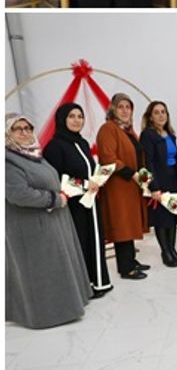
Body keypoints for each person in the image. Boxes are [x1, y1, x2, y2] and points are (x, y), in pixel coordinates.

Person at [5, 116, 92, 328]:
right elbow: (19, 194)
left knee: (56, 265)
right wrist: (54, 199)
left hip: (52, 220)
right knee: (41, 270)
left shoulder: (33, 154)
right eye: (18, 129)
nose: (25, 132)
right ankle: (47, 314)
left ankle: (67, 307)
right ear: (7, 134)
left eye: (28, 128)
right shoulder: (7, 160)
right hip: (31, 227)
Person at [41, 104, 113, 296]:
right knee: (80, 243)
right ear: (62, 119)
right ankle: (83, 286)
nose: (77, 120)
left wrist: (97, 180)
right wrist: (85, 185)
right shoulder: (55, 146)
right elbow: (55, 178)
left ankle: (99, 281)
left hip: (90, 202)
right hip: (72, 206)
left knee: (94, 240)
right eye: (71, 116)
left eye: (80, 116)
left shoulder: (82, 143)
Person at [95, 93, 150, 279]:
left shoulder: (128, 130)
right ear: (113, 109)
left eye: (128, 107)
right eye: (121, 107)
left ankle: (131, 260)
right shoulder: (108, 129)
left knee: (130, 222)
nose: (125, 111)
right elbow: (108, 158)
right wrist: (132, 174)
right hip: (119, 185)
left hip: (131, 185)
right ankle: (126, 268)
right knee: (122, 224)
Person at [140, 100, 177, 266]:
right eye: (156, 112)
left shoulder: (170, 134)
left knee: (172, 217)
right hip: (159, 181)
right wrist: (154, 187)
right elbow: (149, 162)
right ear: (150, 117)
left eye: (163, 112)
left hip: (173, 180)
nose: (161, 115)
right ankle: (165, 252)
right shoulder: (148, 135)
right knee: (162, 219)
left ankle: (172, 249)